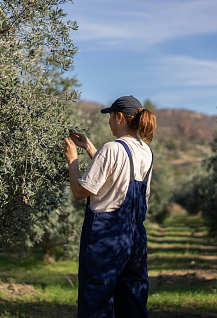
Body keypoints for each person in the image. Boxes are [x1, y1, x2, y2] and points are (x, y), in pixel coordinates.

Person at [63, 95, 157, 318]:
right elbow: (116, 176)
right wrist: (88, 146)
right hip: (135, 238)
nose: (108, 123)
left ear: (119, 117)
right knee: (132, 302)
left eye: (110, 118)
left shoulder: (112, 148)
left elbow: (79, 192)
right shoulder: (146, 151)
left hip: (106, 236)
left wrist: (72, 159)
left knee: (96, 302)